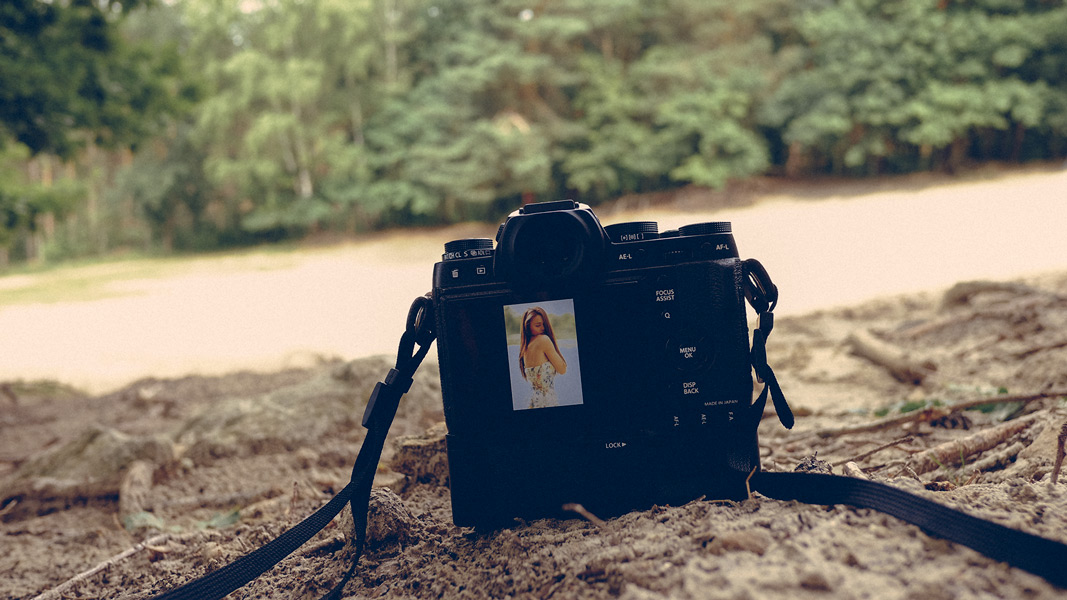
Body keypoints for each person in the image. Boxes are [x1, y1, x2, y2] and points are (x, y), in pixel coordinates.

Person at [518, 307, 568, 408]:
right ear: (527, 326)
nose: (543, 328)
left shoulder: (525, 347)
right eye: (538, 325)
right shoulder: (543, 340)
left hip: (534, 400)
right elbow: (562, 369)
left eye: (544, 324)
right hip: (547, 400)